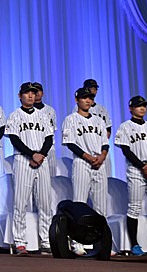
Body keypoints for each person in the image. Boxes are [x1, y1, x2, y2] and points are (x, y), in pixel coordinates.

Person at [6, 82, 54, 255]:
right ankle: (20, 242)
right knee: (20, 202)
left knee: (45, 202)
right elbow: (14, 139)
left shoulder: (43, 115)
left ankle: (46, 241)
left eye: (33, 93)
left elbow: (49, 139)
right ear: (20, 96)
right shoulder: (14, 116)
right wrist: (31, 154)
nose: (31, 96)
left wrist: (40, 154)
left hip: (42, 160)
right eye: (27, 93)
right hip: (23, 160)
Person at [61, 87, 109, 256]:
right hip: (82, 162)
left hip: (99, 163)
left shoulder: (99, 121)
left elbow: (105, 143)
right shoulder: (70, 119)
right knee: (79, 203)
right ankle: (77, 243)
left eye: (90, 98)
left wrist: (102, 157)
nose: (88, 100)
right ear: (77, 100)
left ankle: (102, 244)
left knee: (101, 205)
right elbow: (70, 143)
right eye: (84, 98)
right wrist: (89, 157)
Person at [114, 95, 147, 256]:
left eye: (144, 105)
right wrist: (143, 166)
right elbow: (125, 150)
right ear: (131, 108)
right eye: (138, 106)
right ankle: (135, 245)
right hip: (136, 170)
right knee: (134, 208)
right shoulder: (125, 127)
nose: (142, 108)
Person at [33, 82, 58, 175]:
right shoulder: (28, 111)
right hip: (35, 148)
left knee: (52, 178)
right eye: (34, 91)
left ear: (42, 93)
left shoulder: (50, 110)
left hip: (50, 148)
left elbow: (53, 129)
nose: (37, 93)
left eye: (38, 91)